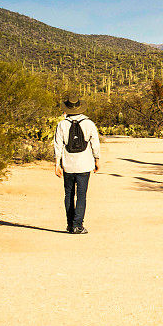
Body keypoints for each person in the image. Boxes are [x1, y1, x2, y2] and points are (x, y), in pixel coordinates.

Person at [53, 95, 101, 234]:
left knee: (68, 194)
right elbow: (95, 144)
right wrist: (97, 160)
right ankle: (78, 225)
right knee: (81, 195)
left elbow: (58, 146)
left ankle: (69, 224)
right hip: (84, 165)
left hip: (68, 165)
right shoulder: (89, 123)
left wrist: (57, 164)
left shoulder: (62, 124)